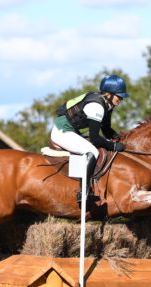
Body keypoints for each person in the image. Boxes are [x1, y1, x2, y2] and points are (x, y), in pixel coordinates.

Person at [51, 74, 128, 202]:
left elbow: (106, 129)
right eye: (119, 96)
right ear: (109, 94)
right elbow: (95, 138)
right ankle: (84, 191)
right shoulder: (96, 106)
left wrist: (121, 139)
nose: (121, 99)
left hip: (72, 130)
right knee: (92, 151)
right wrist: (113, 146)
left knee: (99, 146)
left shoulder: (107, 104)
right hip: (62, 131)